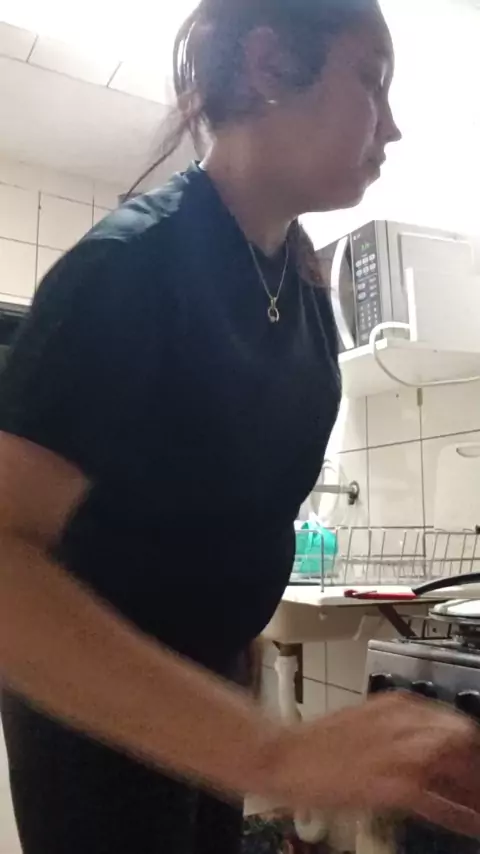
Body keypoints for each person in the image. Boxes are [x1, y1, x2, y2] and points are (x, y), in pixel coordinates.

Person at [0, 0, 479, 852]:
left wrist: (246, 687)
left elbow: (229, 517)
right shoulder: (128, 269)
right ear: (267, 67)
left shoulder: (300, 287)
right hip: (103, 713)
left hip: (210, 694)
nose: (393, 126)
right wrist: (273, 753)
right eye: (371, 81)